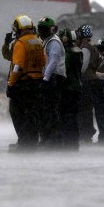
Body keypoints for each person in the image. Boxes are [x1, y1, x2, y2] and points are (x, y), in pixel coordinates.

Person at [6, 14, 46, 152]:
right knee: (32, 113)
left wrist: (11, 84)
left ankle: (23, 142)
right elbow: (44, 62)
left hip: (23, 83)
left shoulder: (21, 43)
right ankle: (32, 141)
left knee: (18, 113)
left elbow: (17, 66)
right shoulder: (38, 41)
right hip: (37, 82)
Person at [37, 16, 66, 148]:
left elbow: (53, 62)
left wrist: (45, 78)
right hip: (51, 78)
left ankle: (52, 140)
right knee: (47, 110)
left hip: (54, 78)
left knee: (50, 110)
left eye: (43, 29)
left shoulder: (53, 42)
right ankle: (50, 139)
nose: (41, 31)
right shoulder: (47, 41)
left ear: (52, 29)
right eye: (40, 28)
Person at [58, 28, 83, 150]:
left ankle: (68, 143)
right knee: (73, 116)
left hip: (67, 87)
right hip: (76, 87)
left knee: (66, 116)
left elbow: (64, 67)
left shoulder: (67, 52)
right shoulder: (77, 50)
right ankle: (74, 142)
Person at [76, 24, 100, 144]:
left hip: (86, 82)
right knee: (88, 109)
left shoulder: (85, 48)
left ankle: (86, 133)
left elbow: (83, 66)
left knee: (83, 109)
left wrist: (77, 76)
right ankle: (88, 131)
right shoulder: (94, 47)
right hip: (93, 80)